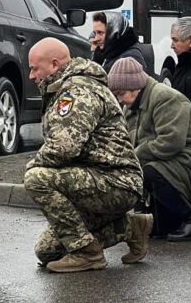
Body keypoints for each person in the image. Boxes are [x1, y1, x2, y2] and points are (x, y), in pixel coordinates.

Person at [24, 38, 151, 273]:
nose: (32, 75)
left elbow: (64, 148)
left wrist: (32, 165)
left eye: (34, 68)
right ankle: (131, 228)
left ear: (54, 65)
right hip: (93, 177)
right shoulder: (64, 86)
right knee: (47, 251)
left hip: (116, 181)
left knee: (36, 178)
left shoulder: (77, 91)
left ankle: (86, 253)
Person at [108, 57, 191, 243]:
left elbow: (170, 142)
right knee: (161, 230)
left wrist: (134, 156)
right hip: (176, 158)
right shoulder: (132, 106)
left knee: (148, 172)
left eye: (121, 93)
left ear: (136, 87)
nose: (120, 99)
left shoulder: (165, 98)